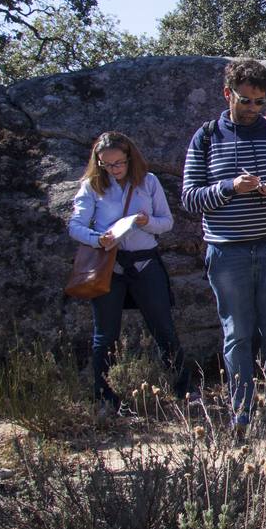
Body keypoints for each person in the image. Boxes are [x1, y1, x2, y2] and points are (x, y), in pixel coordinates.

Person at [181, 58, 266, 429]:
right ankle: (241, 409)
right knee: (237, 333)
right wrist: (229, 188)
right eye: (245, 100)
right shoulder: (206, 137)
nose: (252, 108)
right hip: (227, 250)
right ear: (227, 94)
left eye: (259, 102)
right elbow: (189, 198)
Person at [68, 131, 186, 413]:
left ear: (129, 158)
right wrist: (99, 239)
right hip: (110, 266)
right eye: (107, 164)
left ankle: (183, 389)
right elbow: (75, 226)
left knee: (163, 328)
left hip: (146, 263)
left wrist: (145, 222)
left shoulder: (148, 182)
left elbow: (166, 222)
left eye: (119, 163)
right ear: (98, 162)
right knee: (105, 334)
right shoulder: (91, 186)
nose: (115, 169)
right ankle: (104, 397)